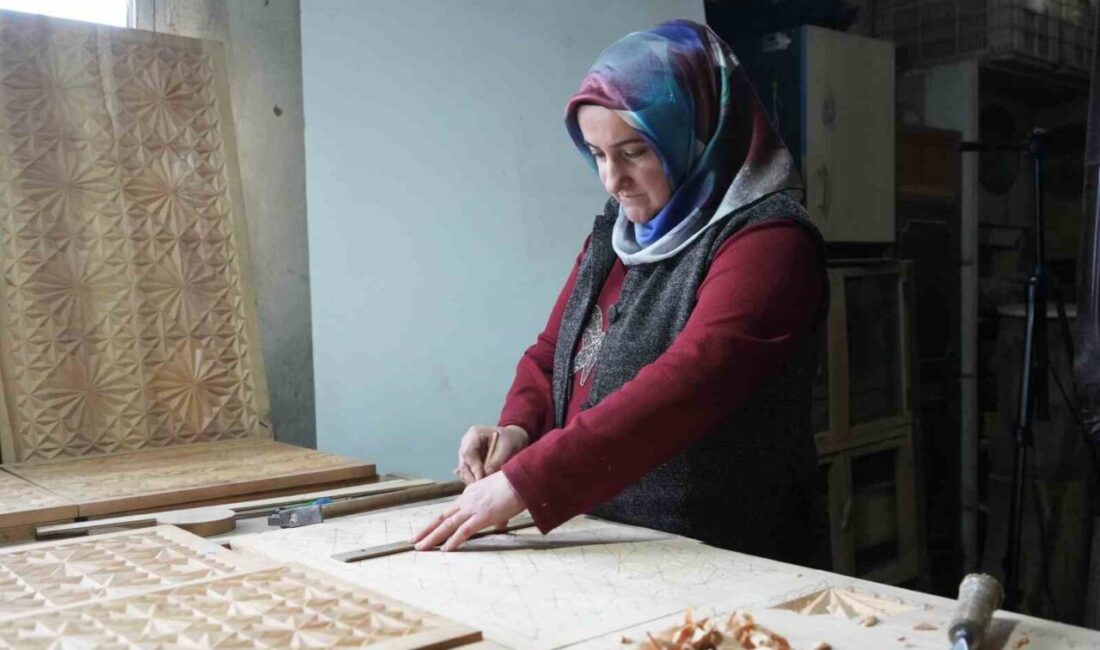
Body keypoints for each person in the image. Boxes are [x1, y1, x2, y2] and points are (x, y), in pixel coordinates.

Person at [413, 19, 829, 566]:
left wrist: (525, 482)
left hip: (728, 554)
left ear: (698, 131)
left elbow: (689, 386)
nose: (612, 180)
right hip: (614, 543)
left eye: (633, 152)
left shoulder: (770, 242)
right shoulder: (618, 232)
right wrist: (517, 428)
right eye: (597, 154)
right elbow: (553, 352)